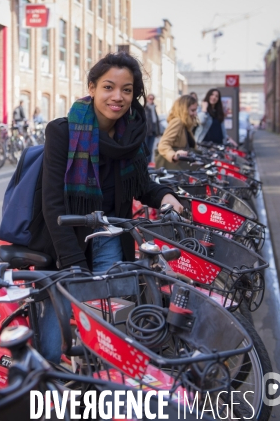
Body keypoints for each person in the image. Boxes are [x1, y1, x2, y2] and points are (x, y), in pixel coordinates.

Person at [27, 52, 183, 362]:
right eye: (109, 87)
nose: (118, 97)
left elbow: (140, 185)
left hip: (110, 242)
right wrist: (73, 264)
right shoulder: (63, 131)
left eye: (127, 90)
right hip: (63, 245)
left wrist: (166, 196)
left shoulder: (132, 135)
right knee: (50, 348)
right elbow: (53, 202)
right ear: (92, 87)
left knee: (108, 340)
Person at [155, 95, 198, 169]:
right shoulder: (178, 122)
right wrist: (174, 155)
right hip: (175, 169)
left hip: (181, 169)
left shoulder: (185, 124)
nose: (195, 113)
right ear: (184, 110)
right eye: (192, 110)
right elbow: (163, 144)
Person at [144, 93, 160, 164]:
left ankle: (149, 162)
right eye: (150, 98)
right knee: (145, 148)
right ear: (147, 99)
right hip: (146, 132)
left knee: (150, 148)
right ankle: (145, 163)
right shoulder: (144, 108)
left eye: (152, 98)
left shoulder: (154, 107)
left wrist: (158, 132)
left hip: (153, 132)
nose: (151, 100)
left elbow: (156, 121)